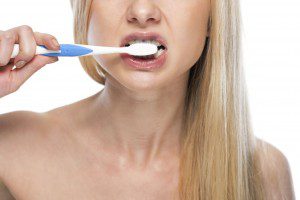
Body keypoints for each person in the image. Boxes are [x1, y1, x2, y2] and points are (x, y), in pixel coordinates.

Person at [0, 0, 295, 199]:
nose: (142, 11)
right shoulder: (9, 151)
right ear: (84, 8)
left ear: (212, 17)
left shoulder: (264, 174)